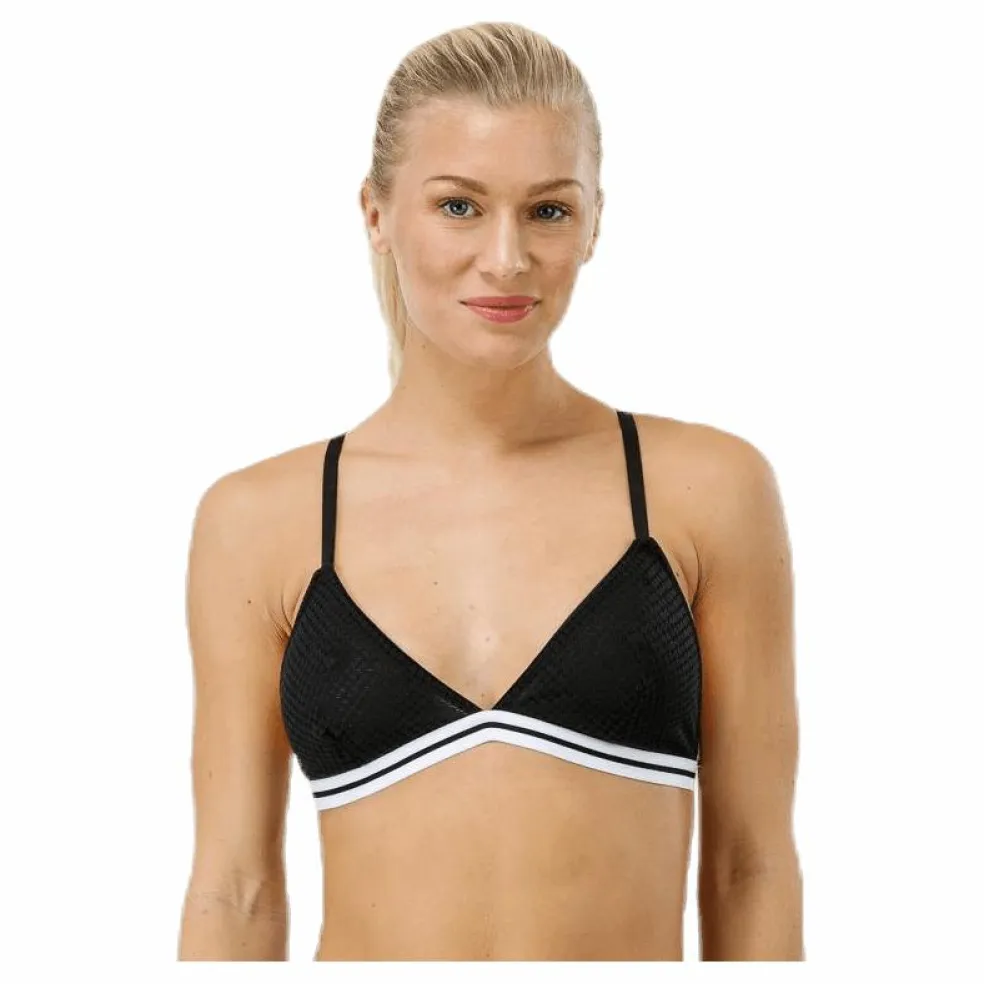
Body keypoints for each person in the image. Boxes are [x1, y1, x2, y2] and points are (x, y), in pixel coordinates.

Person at [178, 20, 803, 962]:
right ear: (376, 213)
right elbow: (235, 890)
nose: (507, 258)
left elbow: (750, 868)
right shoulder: (260, 521)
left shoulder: (706, 492)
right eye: (459, 206)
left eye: (547, 210)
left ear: (594, 222)